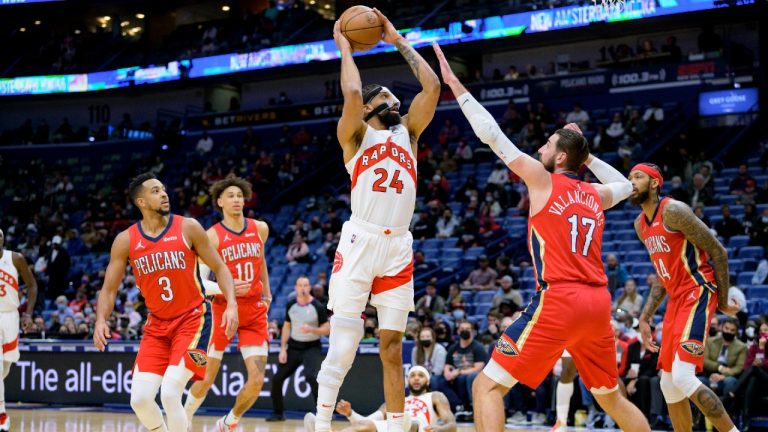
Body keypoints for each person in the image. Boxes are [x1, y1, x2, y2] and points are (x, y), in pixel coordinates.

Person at [432, 42, 648, 432]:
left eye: (547, 145)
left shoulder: (542, 180)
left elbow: (493, 137)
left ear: (560, 158)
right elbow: (626, 186)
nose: (539, 148)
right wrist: (587, 158)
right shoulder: (593, 194)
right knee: (611, 396)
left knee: (485, 388)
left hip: (561, 299)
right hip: (598, 304)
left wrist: (455, 86)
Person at [309, 9, 440, 432]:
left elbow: (432, 86)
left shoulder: (410, 133)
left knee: (391, 346)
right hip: (361, 240)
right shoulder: (356, 135)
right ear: (370, 107)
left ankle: (398, 426)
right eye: (386, 97)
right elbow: (350, 95)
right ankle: (323, 423)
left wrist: (394, 37)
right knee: (345, 344)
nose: (396, 102)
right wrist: (345, 46)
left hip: (399, 246)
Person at [93, 172, 238, 432]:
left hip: (195, 320)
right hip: (157, 327)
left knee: (171, 392)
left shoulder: (188, 227)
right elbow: (109, 289)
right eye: (155, 191)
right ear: (141, 202)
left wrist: (231, 305)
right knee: (139, 400)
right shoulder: (126, 240)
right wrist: (100, 320)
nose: (164, 194)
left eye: (163, 189)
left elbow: (220, 267)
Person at [629, 163, 741, 432]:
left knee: (682, 377)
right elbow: (662, 275)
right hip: (677, 299)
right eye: (629, 177)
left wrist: (723, 301)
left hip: (697, 290)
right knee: (667, 383)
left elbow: (718, 252)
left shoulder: (674, 211)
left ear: (655, 183)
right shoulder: (640, 226)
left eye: (638, 177)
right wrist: (645, 317)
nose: (631, 182)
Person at [184, 175, 273, 431]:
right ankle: (185, 417)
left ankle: (229, 421)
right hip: (222, 310)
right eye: (230, 196)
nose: (236, 200)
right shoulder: (211, 236)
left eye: (239, 195)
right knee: (206, 376)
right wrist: (229, 289)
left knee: (257, 380)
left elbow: (261, 260)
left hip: (254, 312)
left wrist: (266, 292)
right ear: (220, 202)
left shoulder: (260, 228)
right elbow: (199, 281)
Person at [266, 276, 329, 421]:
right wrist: (283, 348)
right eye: (300, 285)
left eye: (305, 285)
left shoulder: (317, 306)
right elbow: (287, 326)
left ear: (309, 287)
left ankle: (322, 414)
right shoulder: (291, 305)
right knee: (277, 379)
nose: (303, 288)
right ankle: (278, 413)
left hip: (311, 347)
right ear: (295, 288)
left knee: (311, 376)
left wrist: (312, 330)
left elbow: (326, 328)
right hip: (294, 347)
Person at [327, 366, 457, 432]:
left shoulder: (435, 396)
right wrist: (350, 414)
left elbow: (452, 425)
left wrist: (437, 429)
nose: (416, 378)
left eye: (421, 375)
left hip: (419, 428)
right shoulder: (395, 401)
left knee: (411, 424)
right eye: (412, 375)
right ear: (408, 380)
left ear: (427, 381)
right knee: (364, 426)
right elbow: (366, 422)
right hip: (394, 427)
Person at [0, 228, 38, 431]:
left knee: (4, 368)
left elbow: (32, 285)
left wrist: (28, 313)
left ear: (3, 239)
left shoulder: (15, 258)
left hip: (11, 316)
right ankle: (2, 415)